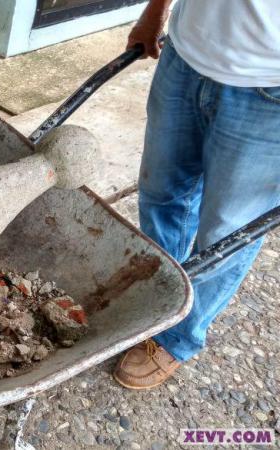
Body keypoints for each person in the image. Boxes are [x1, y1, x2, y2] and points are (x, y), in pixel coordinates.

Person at [113, 0, 280, 390]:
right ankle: (154, 301)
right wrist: (155, 10)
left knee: (228, 232)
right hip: (186, 57)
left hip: (270, 91)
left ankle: (177, 336)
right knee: (161, 195)